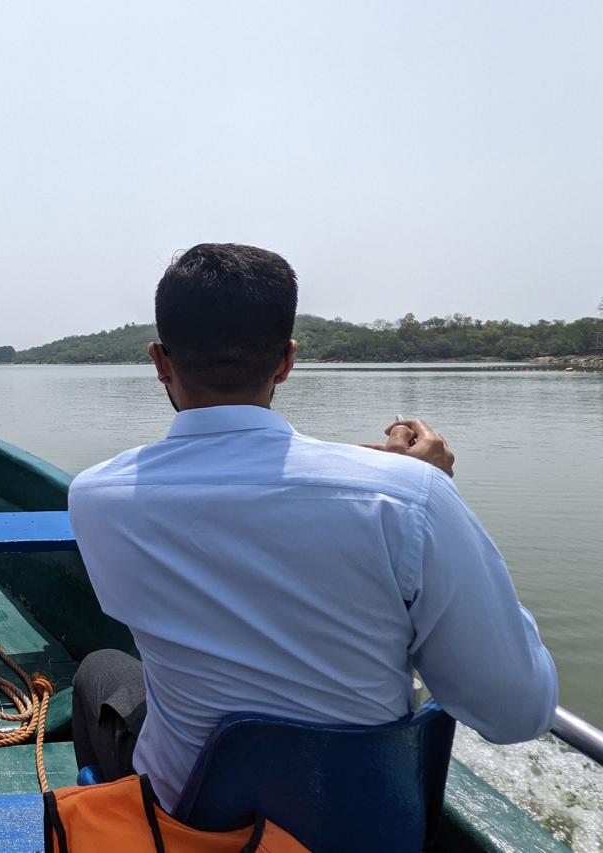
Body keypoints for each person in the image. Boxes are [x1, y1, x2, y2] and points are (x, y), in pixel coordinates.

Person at [67, 243, 558, 812]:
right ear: (286, 361)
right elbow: (519, 715)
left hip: (195, 815)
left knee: (100, 672)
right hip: (363, 824)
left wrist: (385, 481)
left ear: (159, 361)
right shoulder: (408, 500)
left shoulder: (97, 497)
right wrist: (422, 488)